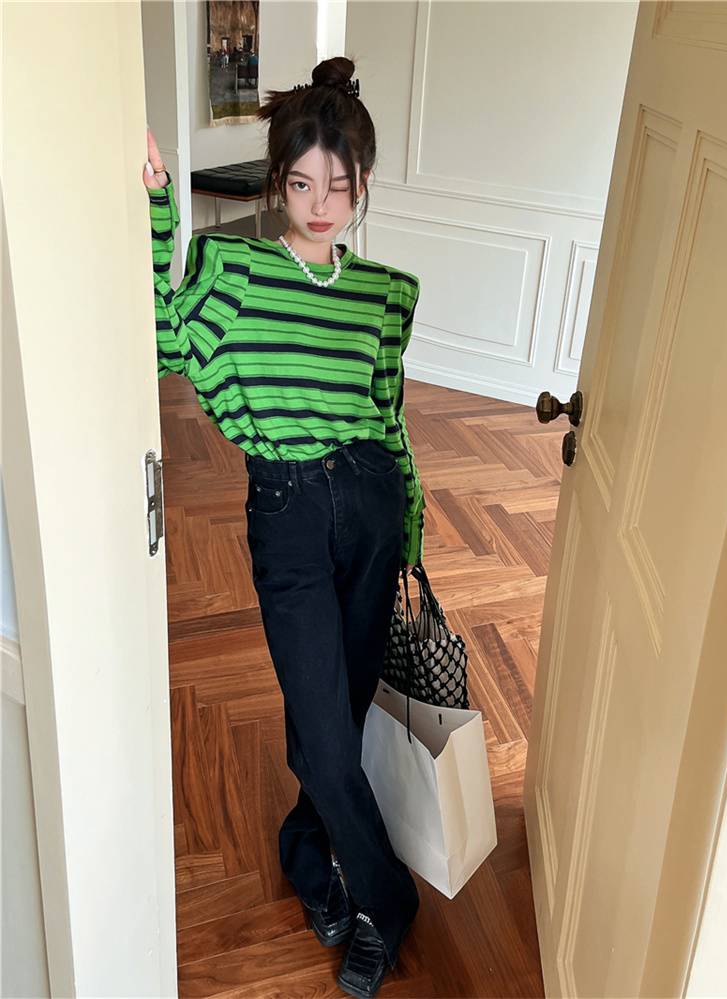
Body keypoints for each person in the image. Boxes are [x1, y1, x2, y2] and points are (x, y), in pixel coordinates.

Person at [143, 56, 423, 999]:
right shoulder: (237, 272)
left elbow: (388, 416)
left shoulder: (385, 293)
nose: (321, 205)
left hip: (371, 507)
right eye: (302, 185)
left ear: (363, 183)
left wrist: (412, 521)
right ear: (277, 182)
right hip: (289, 513)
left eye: (339, 186)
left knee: (334, 718)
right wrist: (159, 214)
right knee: (327, 744)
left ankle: (308, 855)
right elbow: (164, 338)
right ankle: (387, 901)